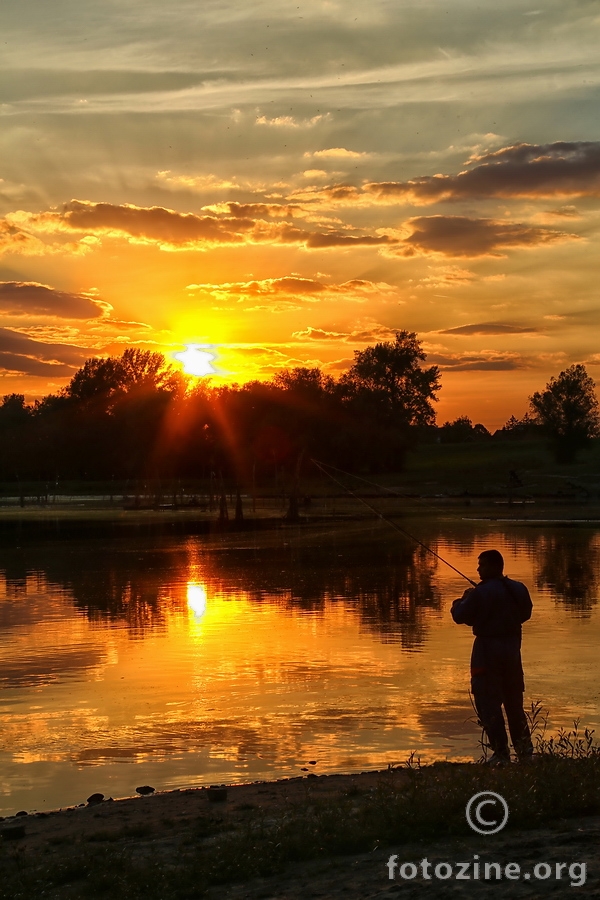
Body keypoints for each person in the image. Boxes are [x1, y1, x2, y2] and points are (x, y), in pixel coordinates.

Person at [451, 549, 534, 765]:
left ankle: (501, 754)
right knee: (514, 704)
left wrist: (462, 599)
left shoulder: (480, 593)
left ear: (495, 566)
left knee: (488, 703)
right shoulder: (519, 588)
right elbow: (526, 613)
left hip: (486, 653)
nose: (478, 569)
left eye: (482, 565)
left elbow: (460, 616)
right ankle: (525, 753)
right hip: (513, 652)